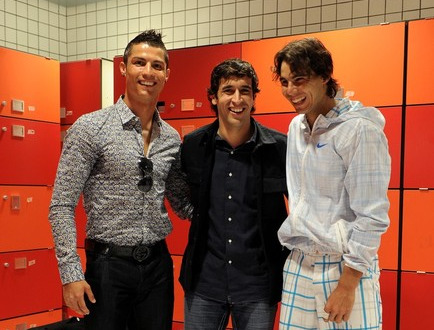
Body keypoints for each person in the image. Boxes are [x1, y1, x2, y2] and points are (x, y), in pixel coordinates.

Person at [48, 30, 192, 330]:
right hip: (108, 267)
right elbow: (61, 205)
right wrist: (71, 273)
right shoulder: (90, 128)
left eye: (157, 65)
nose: (148, 72)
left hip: (157, 266)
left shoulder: (170, 138)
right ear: (123, 68)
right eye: (140, 63)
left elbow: (182, 204)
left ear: (167, 73)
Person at [273, 37, 391, 329]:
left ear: (325, 76)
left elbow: (372, 215)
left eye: (299, 80)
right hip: (299, 261)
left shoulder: (359, 130)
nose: (291, 91)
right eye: (285, 82)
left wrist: (348, 285)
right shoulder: (296, 126)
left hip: (344, 267)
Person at [179, 58, 289, 330]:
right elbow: (181, 196)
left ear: (254, 98)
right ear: (214, 98)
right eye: (228, 90)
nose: (237, 99)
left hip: (258, 286)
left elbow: (301, 208)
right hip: (205, 283)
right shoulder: (194, 146)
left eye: (245, 90)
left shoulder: (279, 148)